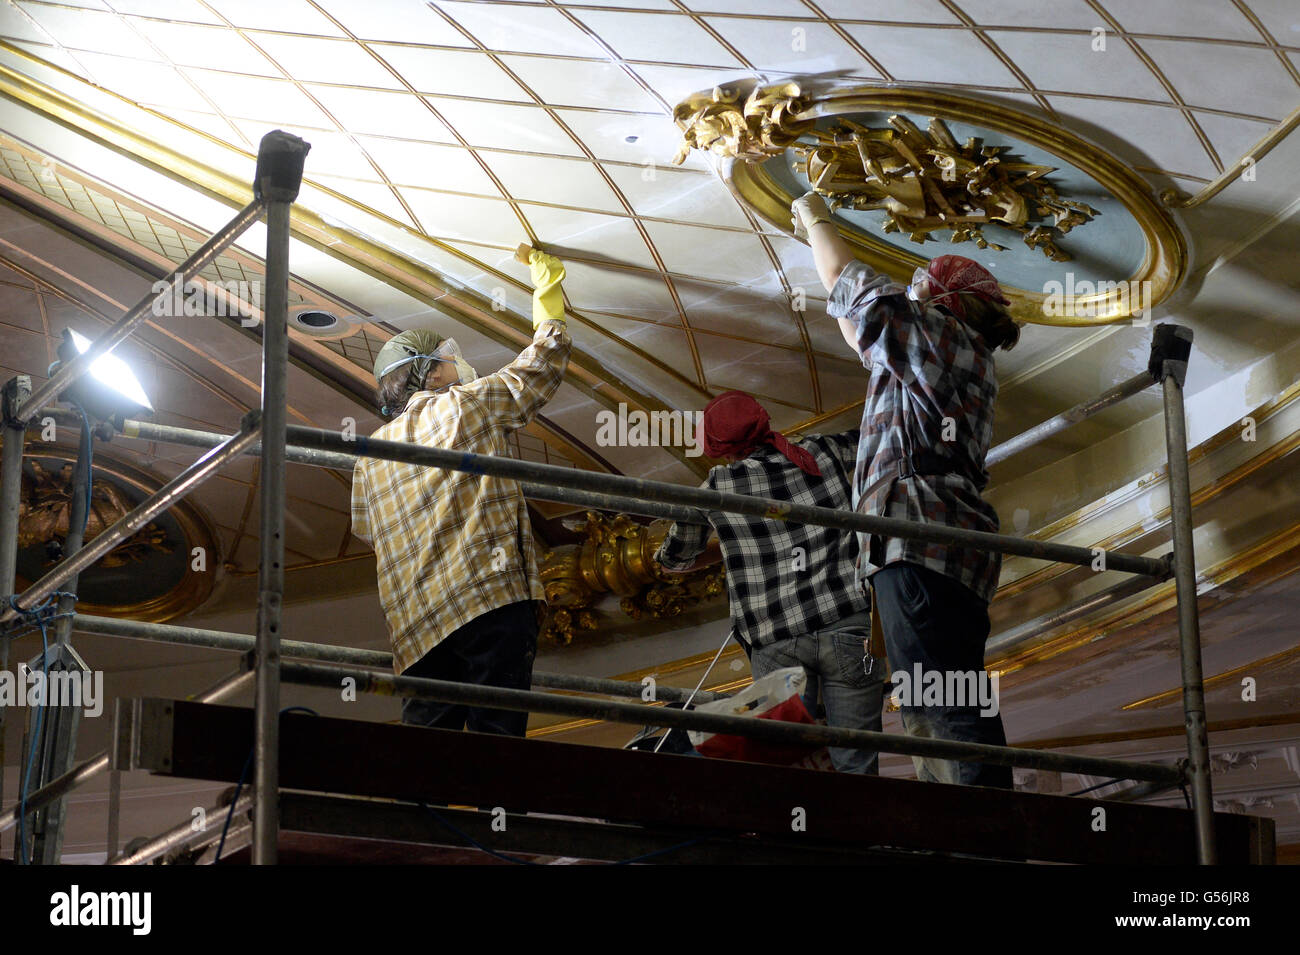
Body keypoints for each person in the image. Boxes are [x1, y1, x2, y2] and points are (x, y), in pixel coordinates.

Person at [793, 191, 1019, 789]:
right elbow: (855, 325)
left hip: (920, 535)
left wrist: (817, 215)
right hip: (940, 543)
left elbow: (849, 282)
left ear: (942, 301)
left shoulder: (943, 337)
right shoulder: (948, 354)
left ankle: (981, 842)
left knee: (939, 702)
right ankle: (972, 832)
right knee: (942, 694)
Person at [350, 251, 571, 736]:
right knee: (498, 741)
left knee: (429, 758)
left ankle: (428, 814)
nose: (457, 367)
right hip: (488, 598)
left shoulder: (369, 456)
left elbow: (370, 533)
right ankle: (500, 813)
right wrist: (548, 296)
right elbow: (541, 365)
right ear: (427, 372)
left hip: (416, 627)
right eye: (448, 361)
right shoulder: (465, 404)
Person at [654, 390, 884, 774]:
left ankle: (802, 829)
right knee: (857, 759)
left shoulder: (716, 489)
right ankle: (870, 834)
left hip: (776, 643)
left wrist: (728, 546)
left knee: (790, 765)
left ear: (718, 446)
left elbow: (674, 560)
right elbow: (880, 439)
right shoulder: (820, 452)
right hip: (849, 625)